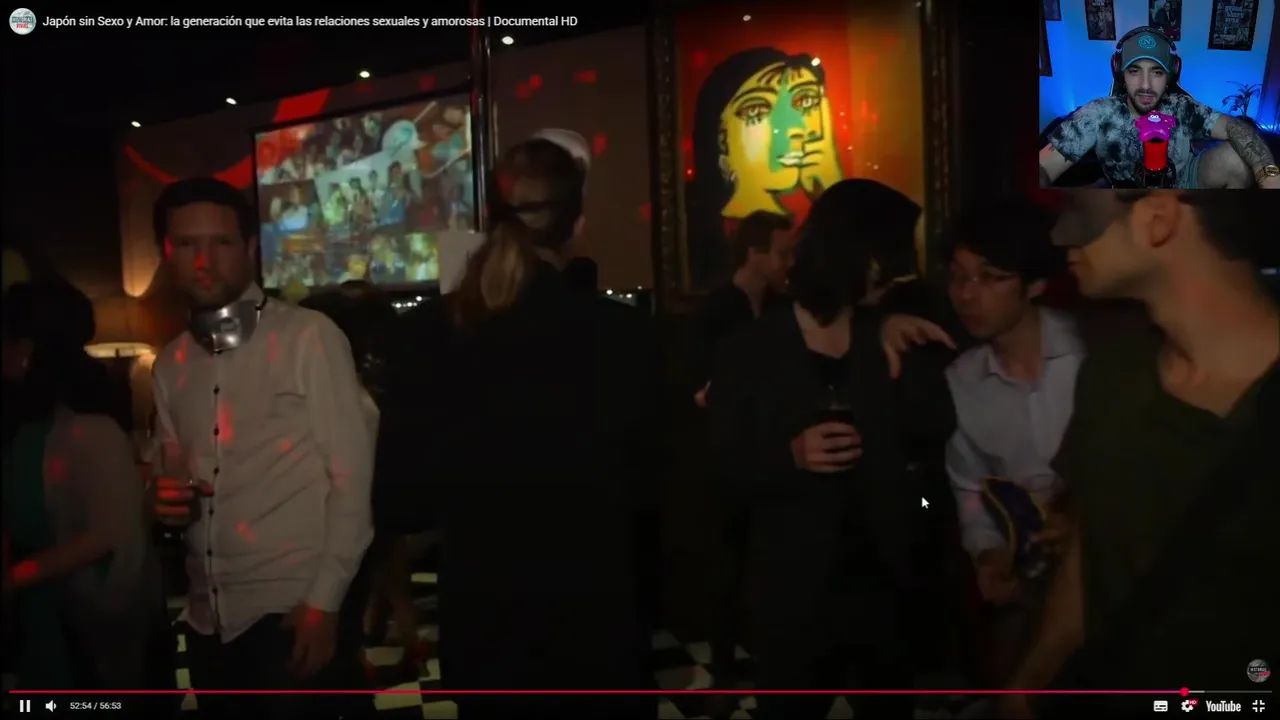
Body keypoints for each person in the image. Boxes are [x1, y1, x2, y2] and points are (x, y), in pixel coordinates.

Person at [374, 138, 664, 719]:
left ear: (491, 221)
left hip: (488, 629)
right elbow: (652, 488)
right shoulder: (623, 335)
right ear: (577, 223)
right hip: (597, 625)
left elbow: (401, 500)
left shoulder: (432, 332)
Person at [1001, 190, 1279, 718]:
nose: (1059, 236)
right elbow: (1094, 546)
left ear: (1159, 217)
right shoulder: (1112, 374)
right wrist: (1034, 674)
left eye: (1079, 210)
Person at [708, 179, 951, 720]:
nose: (900, 269)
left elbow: (932, 443)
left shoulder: (888, 334)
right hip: (793, 590)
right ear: (852, 251)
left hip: (884, 588)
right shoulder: (751, 348)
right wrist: (789, 457)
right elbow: (721, 470)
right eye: (890, 253)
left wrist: (919, 506)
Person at [147, 178, 375, 719]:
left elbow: (353, 480)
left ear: (250, 248)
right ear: (166, 254)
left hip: (291, 612)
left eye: (221, 242)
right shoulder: (170, 364)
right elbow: (169, 473)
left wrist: (324, 603)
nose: (203, 261)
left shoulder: (308, 336)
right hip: (207, 621)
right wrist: (159, 499)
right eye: (186, 244)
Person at [940, 202, 1082, 687]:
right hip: (1028, 584)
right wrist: (987, 553)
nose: (966, 294)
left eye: (990, 277)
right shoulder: (961, 380)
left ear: (1035, 284)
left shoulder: (1092, 354)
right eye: (957, 276)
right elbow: (968, 486)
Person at [1, 281, 167, 694]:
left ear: (25, 349)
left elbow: (108, 534)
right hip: (38, 617)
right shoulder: (26, 426)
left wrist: (18, 576)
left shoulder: (90, 431)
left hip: (78, 625)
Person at [1038, 26, 1280, 189]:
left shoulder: (1182, 107)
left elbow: (1233, 127)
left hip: (1186, 188)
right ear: (1120, 73)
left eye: (1156, 72)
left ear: (1170, 75)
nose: (1145, 85)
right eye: (1135, 71)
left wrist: (1269, 174)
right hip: (1126, 204)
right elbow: (1043, 166)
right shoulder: (1098, 113)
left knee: (1236, 159)